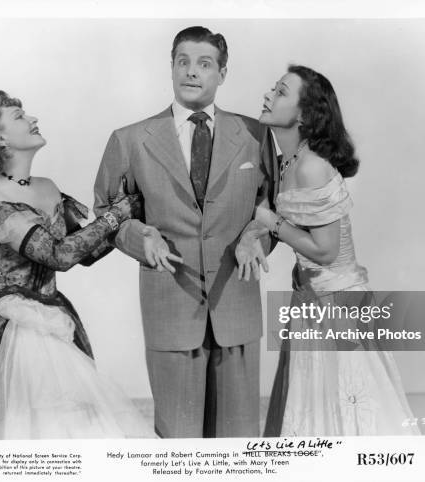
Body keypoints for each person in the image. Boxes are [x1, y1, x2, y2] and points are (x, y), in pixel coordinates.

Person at [93, 26, 277, 438]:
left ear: (222, 73)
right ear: (171, 68)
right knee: (177, 444)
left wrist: (255, 236)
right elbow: (106, 211)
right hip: (170, 308)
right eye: (183, 62)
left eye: (204, 63)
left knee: (239, 444)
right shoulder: (130, 140)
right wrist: (141, 238)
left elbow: (273, 208)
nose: (192, 72)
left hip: (237, 307)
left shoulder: (256, 135)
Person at [0, 90, 155, 440]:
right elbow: (59, 256)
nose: (32, 119)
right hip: (19, 331)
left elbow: (86, 252)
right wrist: (118, 215)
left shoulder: (48, 188)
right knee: (39, 428)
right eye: (18, 116)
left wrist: (134, 223)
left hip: (57, 321)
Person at [251, 66, 419, 436]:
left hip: (336, 305)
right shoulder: (289, 161)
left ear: (306, 115)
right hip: (313, 301)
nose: (267, 96)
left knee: (349, 411)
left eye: (280, 92)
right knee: (314, 409)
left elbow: (325, 252)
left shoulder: (311, 167)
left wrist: (269, 220)